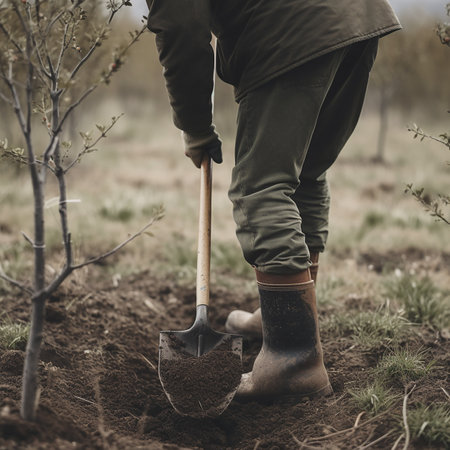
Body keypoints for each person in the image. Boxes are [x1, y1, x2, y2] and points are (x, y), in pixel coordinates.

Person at [146, 0, 401, 401]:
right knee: (303, 176)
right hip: (358, 17)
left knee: (260, 188)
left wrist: (194, 126)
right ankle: (286, 322)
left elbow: (180, 25)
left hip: (290, 28)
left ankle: (293, 360)